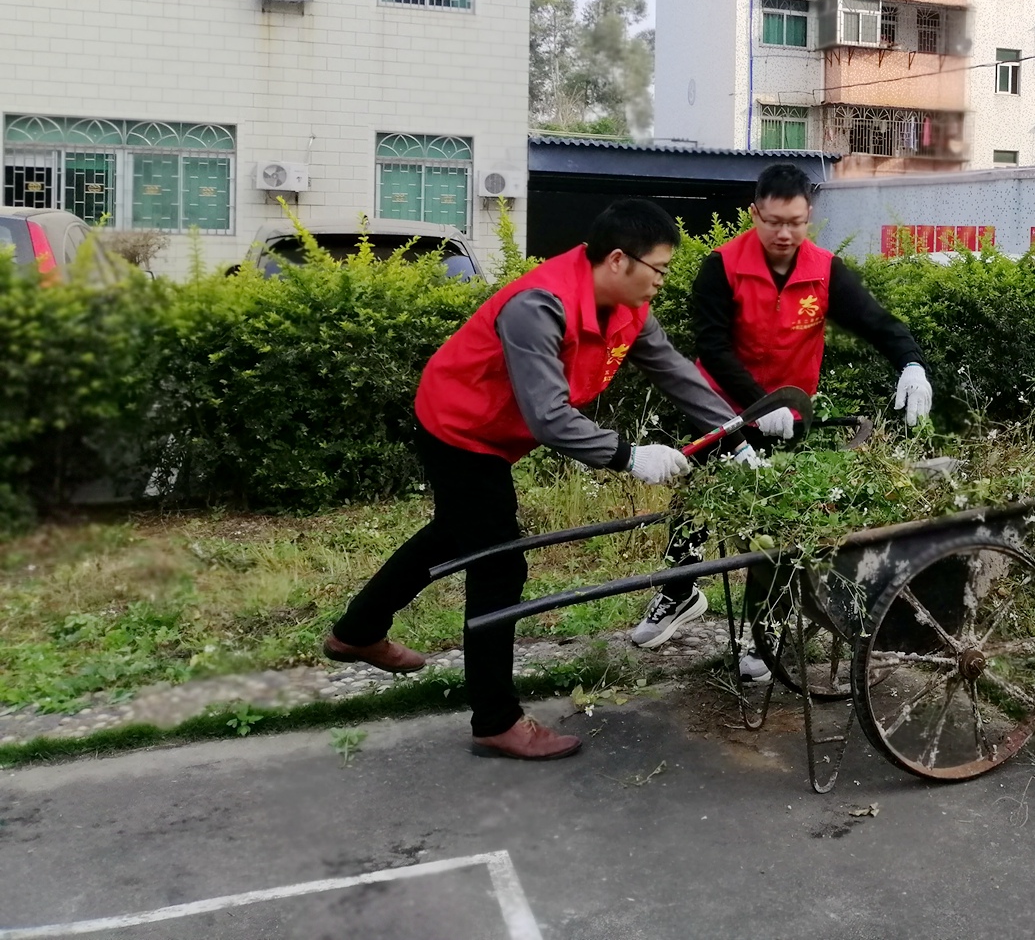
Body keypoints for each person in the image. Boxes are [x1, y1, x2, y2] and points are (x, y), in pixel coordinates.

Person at [324, 199, 759, 760]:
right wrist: (629, 456)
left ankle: (357, 631)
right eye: (660, 269)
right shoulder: (540, 305)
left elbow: (675, 372)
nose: (662, 281)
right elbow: (549, 417)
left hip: (496, 432)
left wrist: (735, 434)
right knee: (499, 563)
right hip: (460, 426)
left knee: (454, 533)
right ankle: (495, 720)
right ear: (621, 261)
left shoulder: (628, 307)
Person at [628, 161, 933, 650]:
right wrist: (755, 405)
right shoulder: (721, 267)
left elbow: (878, 323)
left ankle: (764, 630)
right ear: (754, 214)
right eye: (773, 222)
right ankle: (680, 593)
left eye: (795, 222)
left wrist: (911, 364)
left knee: (777, 520)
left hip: (790, 418)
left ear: (809, 215)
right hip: (723, 409)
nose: (784, 233)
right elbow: (714, 349)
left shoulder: (825, 271)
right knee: (697, 500)